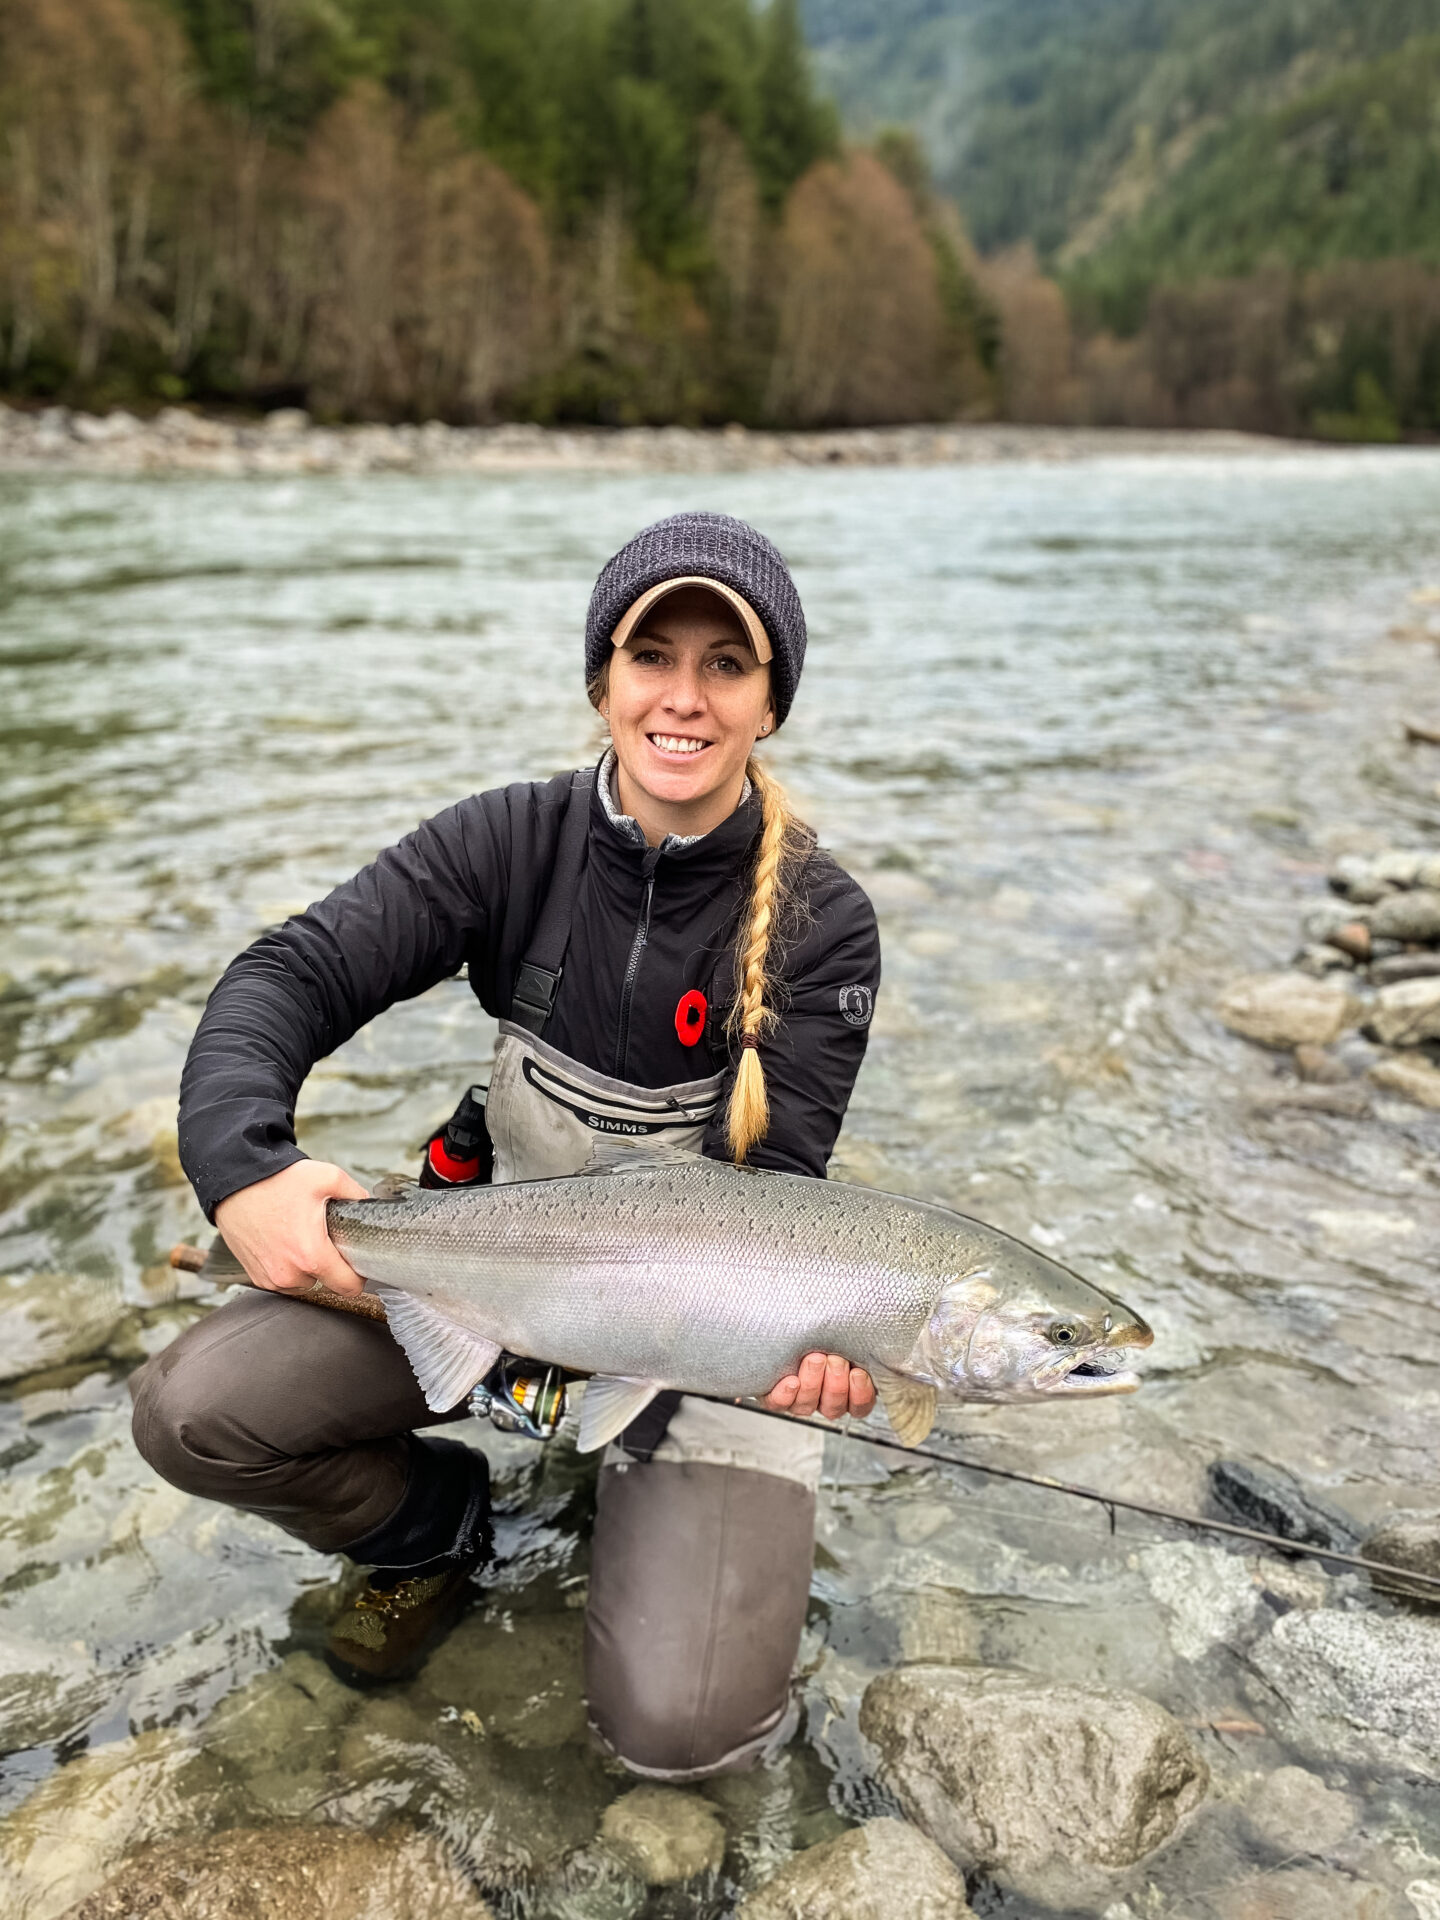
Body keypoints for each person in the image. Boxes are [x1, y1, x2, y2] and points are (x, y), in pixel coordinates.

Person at [130, 511, 881, 1781]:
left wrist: (811, 1354)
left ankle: (629, 1489)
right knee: (191, 1413)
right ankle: (435, 1525)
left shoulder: (825, 924)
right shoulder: (505, 845)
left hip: (699, 1336)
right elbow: (290, 974)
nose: (683, 698)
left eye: (725, 665)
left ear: (772, 702)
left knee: (678, 1736)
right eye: (653, 655)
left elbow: (773, 1209)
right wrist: (245, 1166)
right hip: (487, 1277)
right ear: (603, 681)